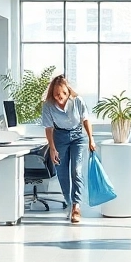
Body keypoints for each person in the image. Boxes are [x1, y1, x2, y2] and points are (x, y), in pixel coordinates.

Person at [41, 75, 96, 223]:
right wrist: (52, 148)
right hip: (59, 137)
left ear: (68, 91)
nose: (61, 97)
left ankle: (76, 206)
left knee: (76, 171)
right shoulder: (48, 105)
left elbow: (85, 120)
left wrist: (91, 139)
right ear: (52, 93)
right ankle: (70, 203)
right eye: (57, 94)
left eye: (64, 94)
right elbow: (48, 128)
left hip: (77, 136)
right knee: (62, 173)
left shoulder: (77, 101)